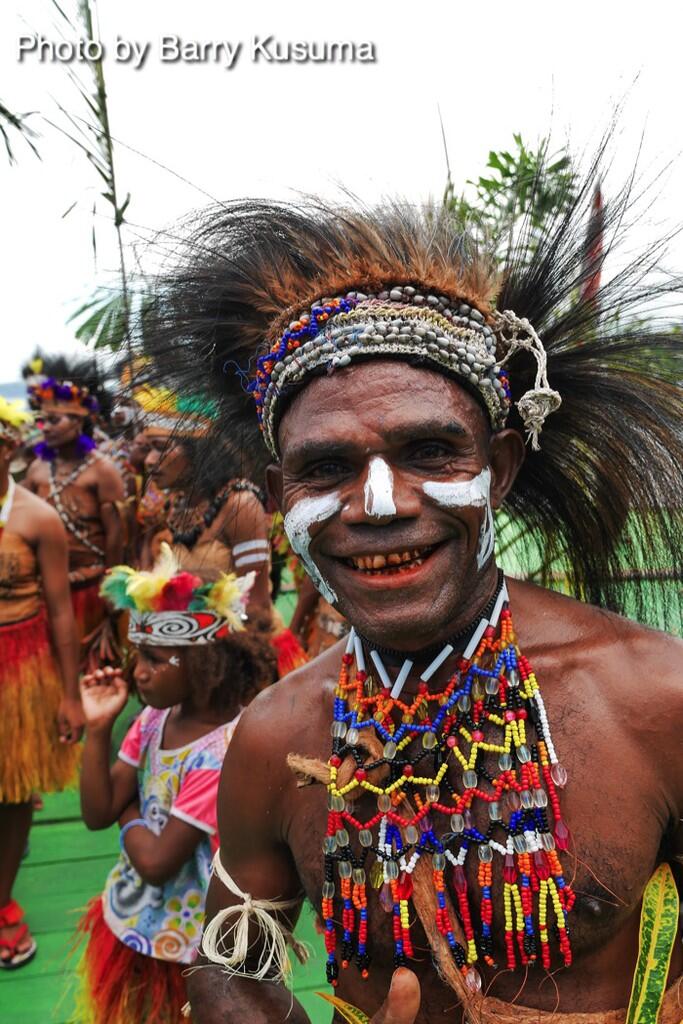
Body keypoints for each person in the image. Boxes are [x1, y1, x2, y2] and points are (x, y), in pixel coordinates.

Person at [140, 188, 682, 1022]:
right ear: (284, 494)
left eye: (428, 451)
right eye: (327, 469)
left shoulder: (654, 697)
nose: (381, 504)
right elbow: (230, 967)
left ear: (497, 467)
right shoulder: (275, 735)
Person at [74, 546, 277, 1024]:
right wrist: (99, 728)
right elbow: (95, 812)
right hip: (139, 923)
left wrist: (130, 812)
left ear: (203, 663)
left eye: (154, 659)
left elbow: (156, 862)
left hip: (193, 944)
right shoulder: (153, 718)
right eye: (137, 657)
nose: (138, 670)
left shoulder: (223, 752)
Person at [135, 384, 307, 677]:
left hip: (241, 659)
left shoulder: (239, 505)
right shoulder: (174, 504)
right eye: (148, 449)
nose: (149, 461)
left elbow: (255, 608)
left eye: (161, 449)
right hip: (193, 657)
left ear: (198, 452)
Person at [0, 396, 82, 969]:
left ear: (7, 447)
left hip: (20, 672)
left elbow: (60, 611)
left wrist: (70, 695)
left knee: (11, 789)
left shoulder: (35, 517)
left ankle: (2, 902)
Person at [22, 355, 125, 659]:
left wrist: (111, 590)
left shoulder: (102, 471)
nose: (45, 428)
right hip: (45, 589)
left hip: (91, 591)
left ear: (79, 421)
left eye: (54, 420)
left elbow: (117, 538)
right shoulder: (37, 470)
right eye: (42, 420)